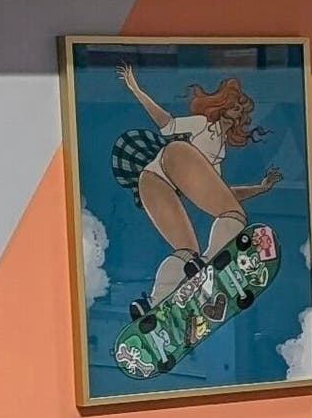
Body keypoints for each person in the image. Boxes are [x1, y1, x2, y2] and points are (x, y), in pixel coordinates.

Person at [109, 71, 285, 324]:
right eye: (234, 106)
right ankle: (207, 262)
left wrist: (260, 188)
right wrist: (137, 90)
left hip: (152, 180)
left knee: (186, 251)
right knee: (235, 216)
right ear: (221, 106)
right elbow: (167, 124)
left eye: (240, 109)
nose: (238, 112)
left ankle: (154, 304)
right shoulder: (203, 124)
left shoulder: (217, 156)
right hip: (176, 158)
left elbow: (220, 195)